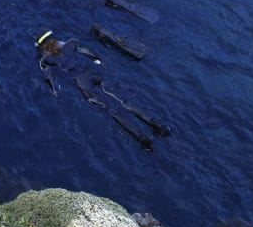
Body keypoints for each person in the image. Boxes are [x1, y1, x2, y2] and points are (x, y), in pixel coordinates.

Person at [35, 30, 170, 150]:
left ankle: (143, 139)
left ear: (42, 46)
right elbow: (87, 52)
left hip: (83, 83)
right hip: (93, 74)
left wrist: (55, 91)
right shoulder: (70, 44)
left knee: (113, 111)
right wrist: (97, 60)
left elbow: (49, 76)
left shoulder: (46, 59)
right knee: (124, 100)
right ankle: (157, 125)